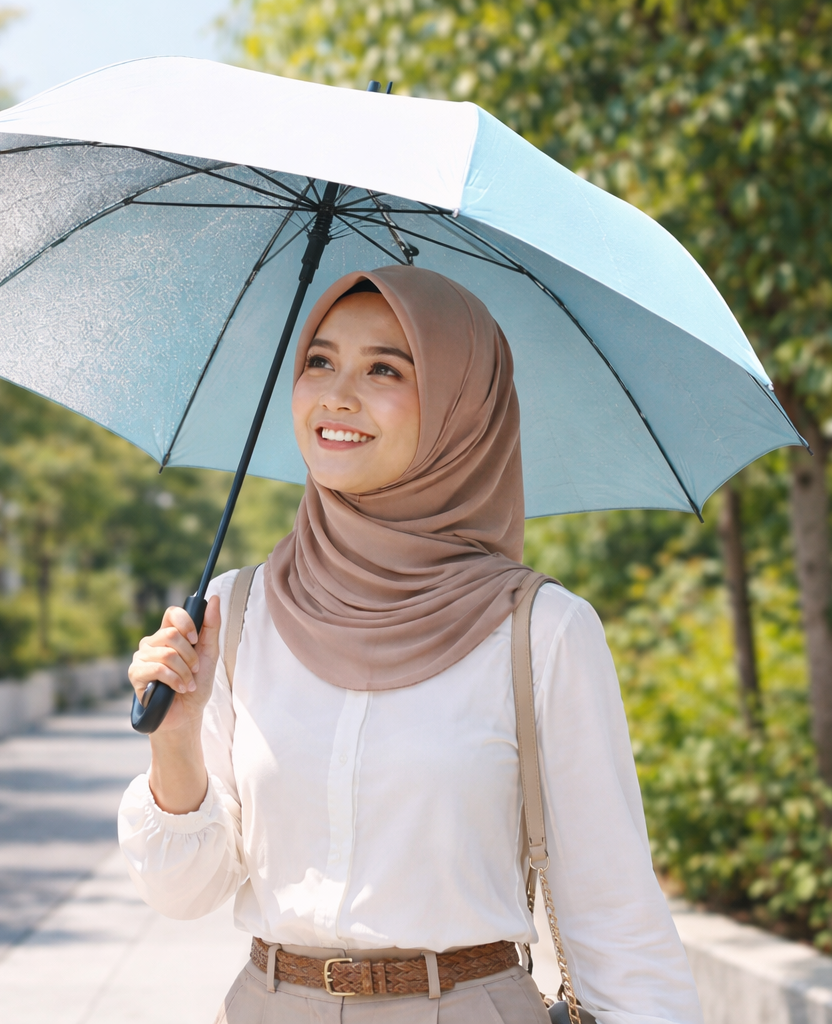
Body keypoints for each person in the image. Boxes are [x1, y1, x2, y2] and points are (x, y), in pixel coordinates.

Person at [119, 266, 702, 1023]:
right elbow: (183, 892)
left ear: (462, 407)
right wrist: (175, 743)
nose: (336, 395)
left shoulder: (540, 630)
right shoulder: (238, 609)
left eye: (385, 369)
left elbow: (617, 914)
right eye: (319, 362)